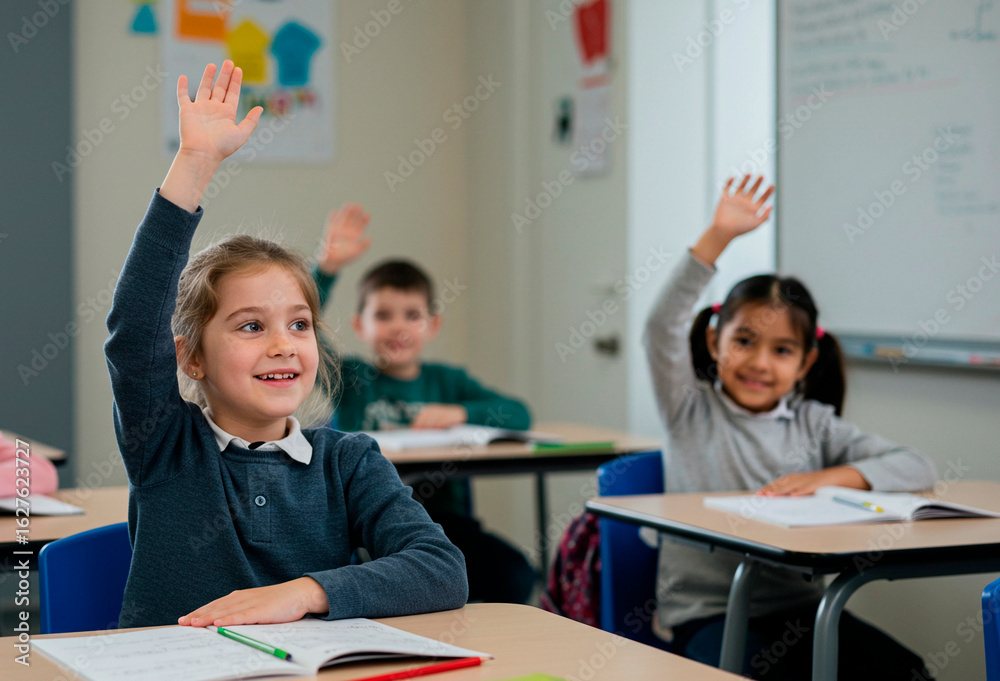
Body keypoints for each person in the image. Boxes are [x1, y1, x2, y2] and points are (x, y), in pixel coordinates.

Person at [104, 61, 467, 629]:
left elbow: (441, 569)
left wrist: (304, 592)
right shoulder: (167, 446)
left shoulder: (349, 463)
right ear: (191, 357)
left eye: (299, 325)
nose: (283, 345)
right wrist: (195, 165)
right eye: (251, 327)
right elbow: (133, 329)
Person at [645, 175, 937, 679]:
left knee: (906, 672)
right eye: (744, 341)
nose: (760, 362)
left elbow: (917, 465)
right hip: (706, 613)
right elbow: (660, 325)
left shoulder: (815, 424)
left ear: (805, 363)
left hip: (802, 612)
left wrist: (828, 477)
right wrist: (717, 237)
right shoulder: (690, 409)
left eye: (781, 350)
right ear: (715, 343)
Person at [311, 203, 537, 605]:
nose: (398, 326)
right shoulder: (351, 379)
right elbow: (304, 332)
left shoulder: (447, 382)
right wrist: (325, 271)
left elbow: (518, 414)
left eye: (412, 315)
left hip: (443, 522)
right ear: (361, 325)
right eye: (383, 314)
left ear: (432, 324)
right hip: (366, 523)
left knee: (513, 573)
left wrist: (461, 412)